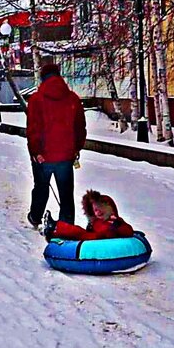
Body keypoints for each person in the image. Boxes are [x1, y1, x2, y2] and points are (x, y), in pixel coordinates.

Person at [25, 62, 86, 227]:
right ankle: (67, 224)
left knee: (41, 188)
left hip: (43, 155)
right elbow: (80, 127)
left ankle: (35, 217)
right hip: (66, 155)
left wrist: (35, 151)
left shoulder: (36, 99)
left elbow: (33, 129)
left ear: (43, 78)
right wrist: (76, 148)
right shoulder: (72, 98)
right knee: (66, 192)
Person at [43, 190, 136, 242]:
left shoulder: (116, 220)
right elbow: (102, 232)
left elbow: (129, 230)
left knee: (79, 233)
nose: (98, 212)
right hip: (94, 239)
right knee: (77, 231)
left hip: (102, 241)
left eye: (100, 208)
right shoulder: (97, 222)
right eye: (95, 210)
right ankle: (55, 227)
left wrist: (118, 226)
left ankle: (55, 228)